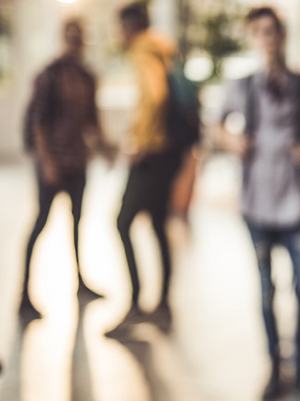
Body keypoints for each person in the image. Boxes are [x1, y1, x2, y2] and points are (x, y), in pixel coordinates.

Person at [220, 6, 300, 399]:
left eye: (272, 32)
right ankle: (274, 368)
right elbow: (217, 125)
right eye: (259, 33)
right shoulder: (243, 87)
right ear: (253, 39)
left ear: (281, 36)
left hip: (296, 206)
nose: (267, 39)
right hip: (257, 205)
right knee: (266, 293)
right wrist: (232, 141)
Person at [20, 18, 113, 322]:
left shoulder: (86, 76)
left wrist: (105, 146)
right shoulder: (49, 75)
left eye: (79, 36)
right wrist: (47, 161)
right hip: (53, 163)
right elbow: (39, 123)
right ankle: (23, 294)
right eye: (70, 36)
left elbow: (92, 120)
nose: (75, 42)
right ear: (63, 38)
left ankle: (80, 282)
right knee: (41, 223)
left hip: (77, 161)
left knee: (77, 222)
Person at [107, 3, 181, 336]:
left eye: (120, 27)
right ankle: (163, 305)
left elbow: (154, 96)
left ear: (131, 26)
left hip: (151, 154)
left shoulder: (143, 50)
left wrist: (140, 142)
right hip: (168, 156)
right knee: (156, 225)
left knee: (122, 223)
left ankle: (137, 304)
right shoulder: (164, 48)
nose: (118, 34)